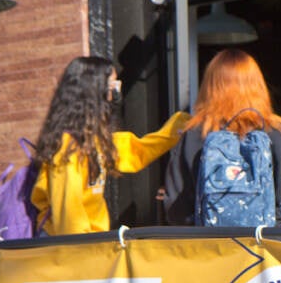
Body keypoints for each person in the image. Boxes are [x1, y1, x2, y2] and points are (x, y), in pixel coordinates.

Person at [31, 55, 190, 235]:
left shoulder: (95, 140)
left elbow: (136, 152)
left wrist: (180, 125)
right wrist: (85, 251)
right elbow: (69, 213)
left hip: (88, 242)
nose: (115, 94)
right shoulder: (68, 146)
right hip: (71, 247)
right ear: (93, 92)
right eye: (112, 86)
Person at [163, 48, 281, 227]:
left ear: (209, 87)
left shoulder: (193, 136)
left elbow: (175, 208)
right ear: (258, 86)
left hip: (212, 248)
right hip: (272, 247)